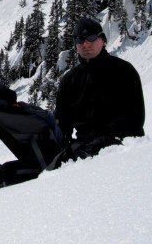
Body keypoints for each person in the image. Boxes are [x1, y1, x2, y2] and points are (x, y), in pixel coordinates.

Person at [54, 17, 145, 162]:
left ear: (103, 40)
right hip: (83, 148)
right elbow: (62, 123)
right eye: (80, 40)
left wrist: (104, 140)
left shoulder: (123, 71)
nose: (85, 44)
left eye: (91, 38)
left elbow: (135, 120)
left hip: (123, 147)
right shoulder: (69, 81)